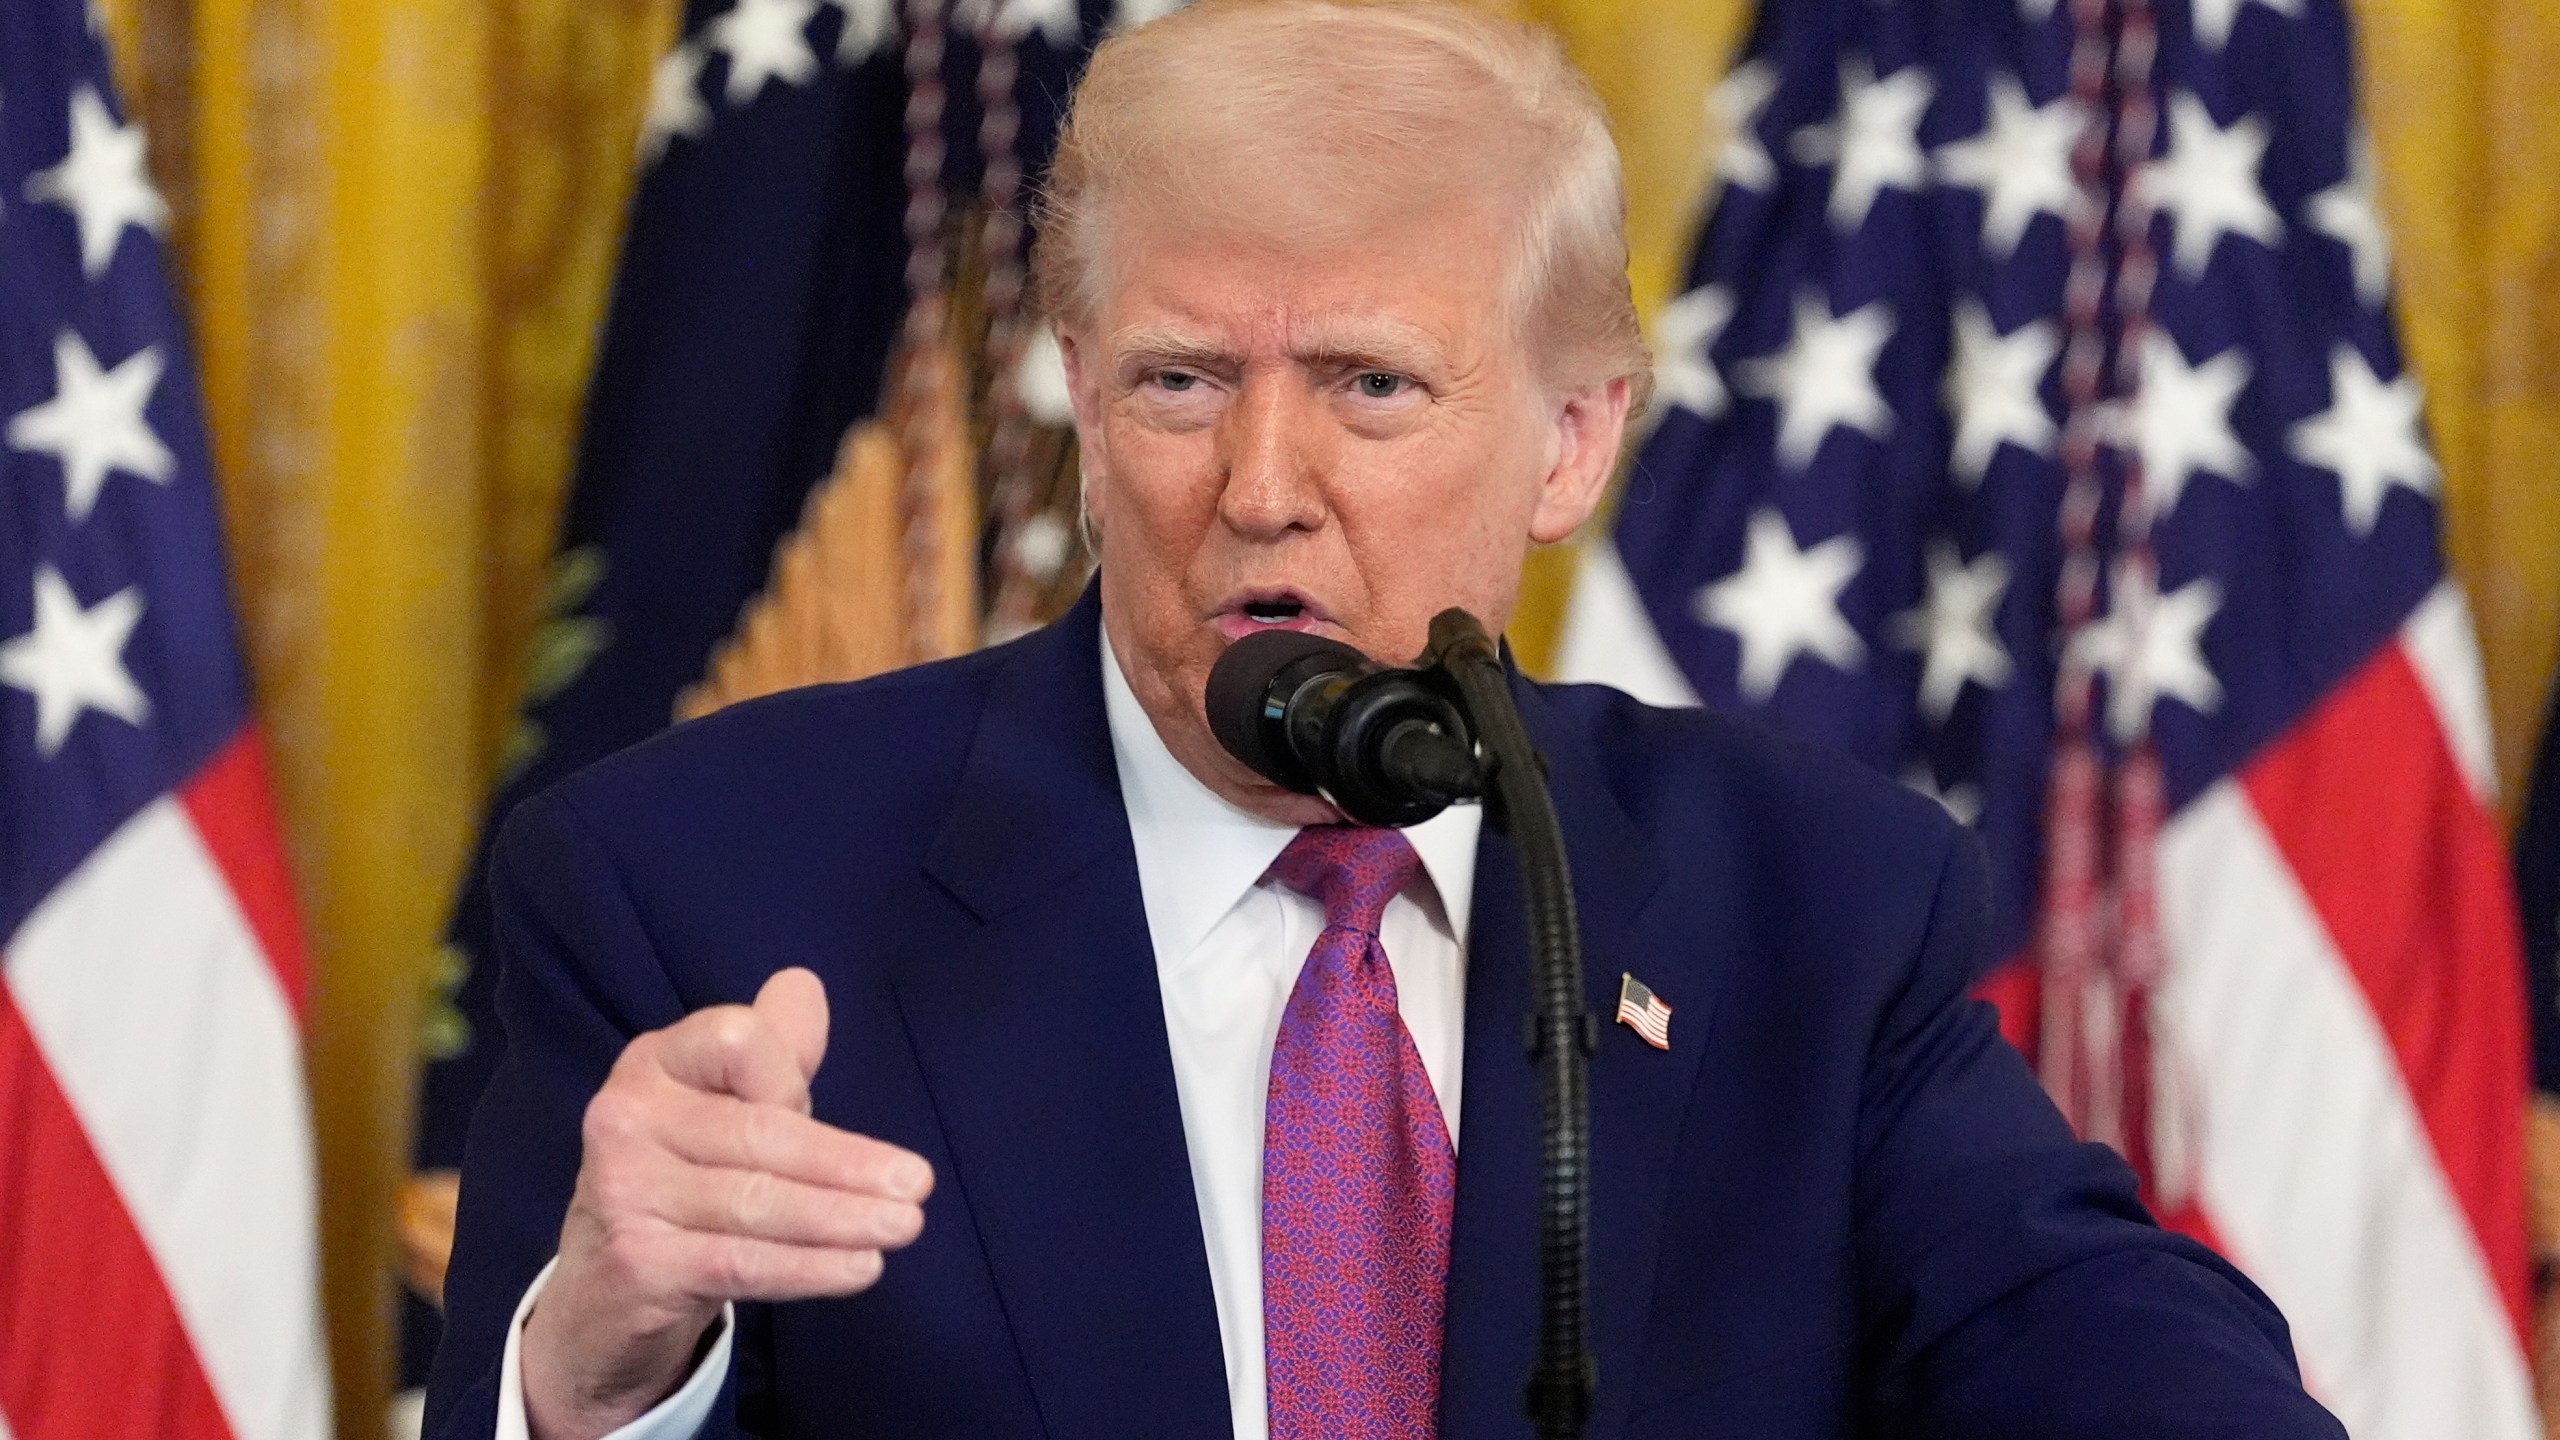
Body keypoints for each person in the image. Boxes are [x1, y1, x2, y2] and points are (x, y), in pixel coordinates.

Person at [424, 3, 2347, 1437]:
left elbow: (2088, 1337)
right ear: (1083, 410)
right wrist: (607, 1359)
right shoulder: (699, 885)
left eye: (1371, 386)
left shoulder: (1808, 902)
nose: (1260, 483)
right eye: (1180, 381)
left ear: (1572, 440)